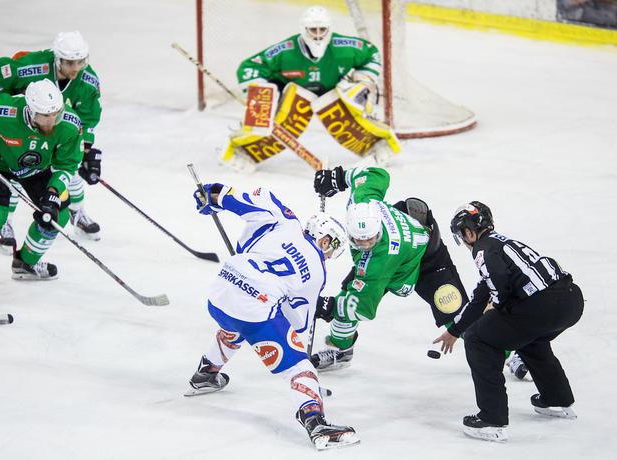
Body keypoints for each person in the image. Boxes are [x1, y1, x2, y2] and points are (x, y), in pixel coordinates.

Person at [186, 183, 359, 450]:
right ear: (325, 239)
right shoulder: (317, 272)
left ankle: (206, 373)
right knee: (297, 365)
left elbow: (258, 199)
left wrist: (217, 195)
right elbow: (299, 322)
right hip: (253, 307)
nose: (329, 254)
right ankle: (315, 421)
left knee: (237, 323)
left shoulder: (285, 222)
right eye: (332, 247)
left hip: (220, 291)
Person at [433, 202, 584, 442]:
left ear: (469, 232)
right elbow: (482, 294)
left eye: (462, 234)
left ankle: (491, 420)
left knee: (477, 339)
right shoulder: (504, 243)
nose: (463, 240)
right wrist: (454, 330)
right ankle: (556, 401)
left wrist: (497, 304)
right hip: (571, 301)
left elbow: (498, 288)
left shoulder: (482, 249)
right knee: (529, 338)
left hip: (540, 306)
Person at [310, 166, 468, 371]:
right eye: (360, 241)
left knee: (456, 314)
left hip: (429, 260)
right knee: (349, 292)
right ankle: (342, 351)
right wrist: (339, 178)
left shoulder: (377, 261)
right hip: (399, 256)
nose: (366, 245)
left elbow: (362, 309)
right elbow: (376, 174)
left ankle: (510, 349)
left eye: (371, 239)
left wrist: (330, 307)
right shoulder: (363, 199)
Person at [222, 5, 399, 172]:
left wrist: (365, 78)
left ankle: (377, 144)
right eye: (313, 30)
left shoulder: (344, 47)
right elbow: (248, 67)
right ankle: (242, 150)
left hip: (333, 93)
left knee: (345, 103)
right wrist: (262, 96)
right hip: (293, 95)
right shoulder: (286, 50)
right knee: (287, 122)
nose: (318, 35)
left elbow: (372, 54)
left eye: (322, 30)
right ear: (303, 29)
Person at [0, 79, 82, 292]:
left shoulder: (69, 124)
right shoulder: (5, 111)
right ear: (31, 112)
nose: (52, 121)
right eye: (45, 116)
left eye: (56, 114)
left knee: (57, 216)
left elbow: (67, 164)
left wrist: (53, 193)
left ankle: (25, 263)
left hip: (36, 169)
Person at [0, 31, 102, 246]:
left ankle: (77, 213)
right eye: (69, 62)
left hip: (53, 130)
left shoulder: (87, 80)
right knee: (18, 169)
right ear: (57, 59)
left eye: (80, 62)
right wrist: (7, 102)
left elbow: (88, 115)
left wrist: (85, 150)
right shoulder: (34, 67)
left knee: (69, 168)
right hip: (23, 127)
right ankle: (5, 222)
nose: (76, 68)